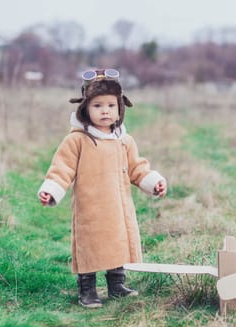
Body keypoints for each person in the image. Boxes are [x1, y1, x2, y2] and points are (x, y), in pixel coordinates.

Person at [37, 68, 167, 308]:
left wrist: (152, 182)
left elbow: (137, 167)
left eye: (110, 105)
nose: (105, 111)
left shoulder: (123, 139)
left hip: (118, 205)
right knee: (90, 244)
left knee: (117, 241)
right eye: (97, 106)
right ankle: (87, 289)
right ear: (85, 109)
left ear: (120, 109)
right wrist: (52, 188)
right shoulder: (77, 139)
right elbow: (62, 167)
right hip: (91, 207)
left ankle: (116, 285)